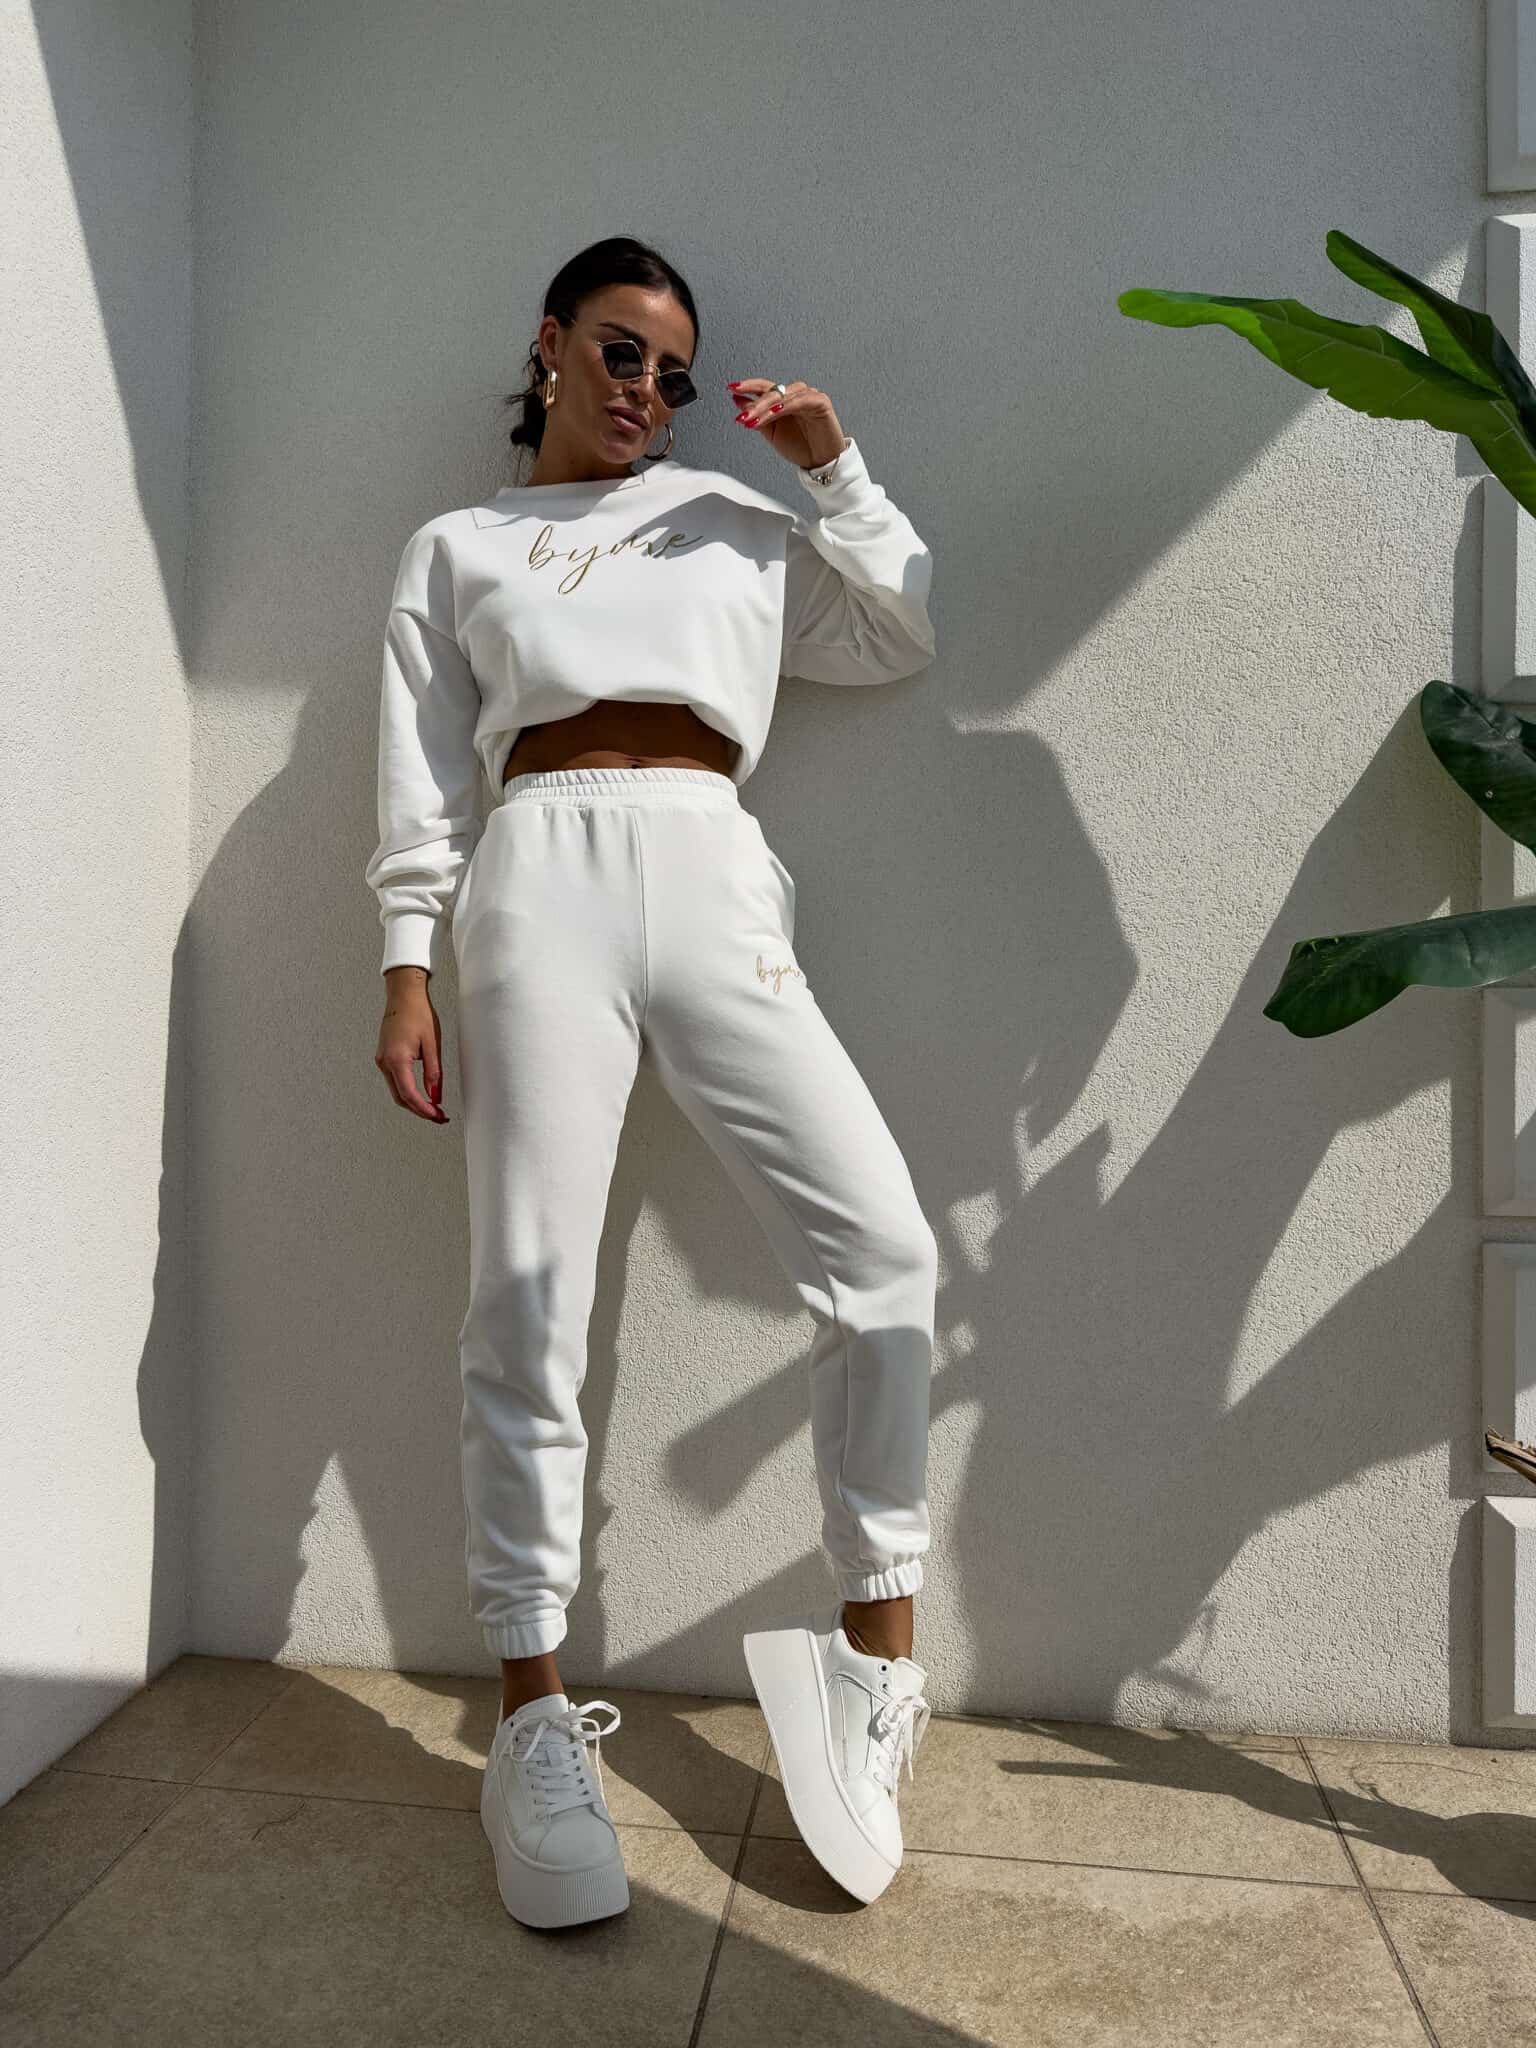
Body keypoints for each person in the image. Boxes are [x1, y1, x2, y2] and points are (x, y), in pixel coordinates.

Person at [366, 236, 938, 1925]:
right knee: (526, 1301)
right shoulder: (459, 545)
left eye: (674, 373)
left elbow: (895, 630)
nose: (645, 390)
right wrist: (405, 959)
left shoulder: (733, 520)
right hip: (533, 870)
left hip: (708, 858)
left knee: (885, 1252)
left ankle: (871, 1661)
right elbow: (420, 769)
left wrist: (831, 466)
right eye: (621, 351)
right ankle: (532, 1718)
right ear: (551, 343)